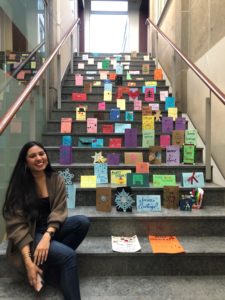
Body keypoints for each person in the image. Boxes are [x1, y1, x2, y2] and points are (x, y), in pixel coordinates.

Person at [2, 141, 90, 300]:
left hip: (49, 230)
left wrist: (47, 237)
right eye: (32, 156)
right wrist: (29, 264)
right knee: (68, 256)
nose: (39, 158)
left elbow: (59, 211)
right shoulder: (19, 186)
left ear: (47, 156)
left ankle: (48, 268)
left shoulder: (56, 179)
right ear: (25, 162)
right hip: (30, 235)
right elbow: (17, 227)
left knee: (82, 222)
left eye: (41, 154)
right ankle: (55, 266)